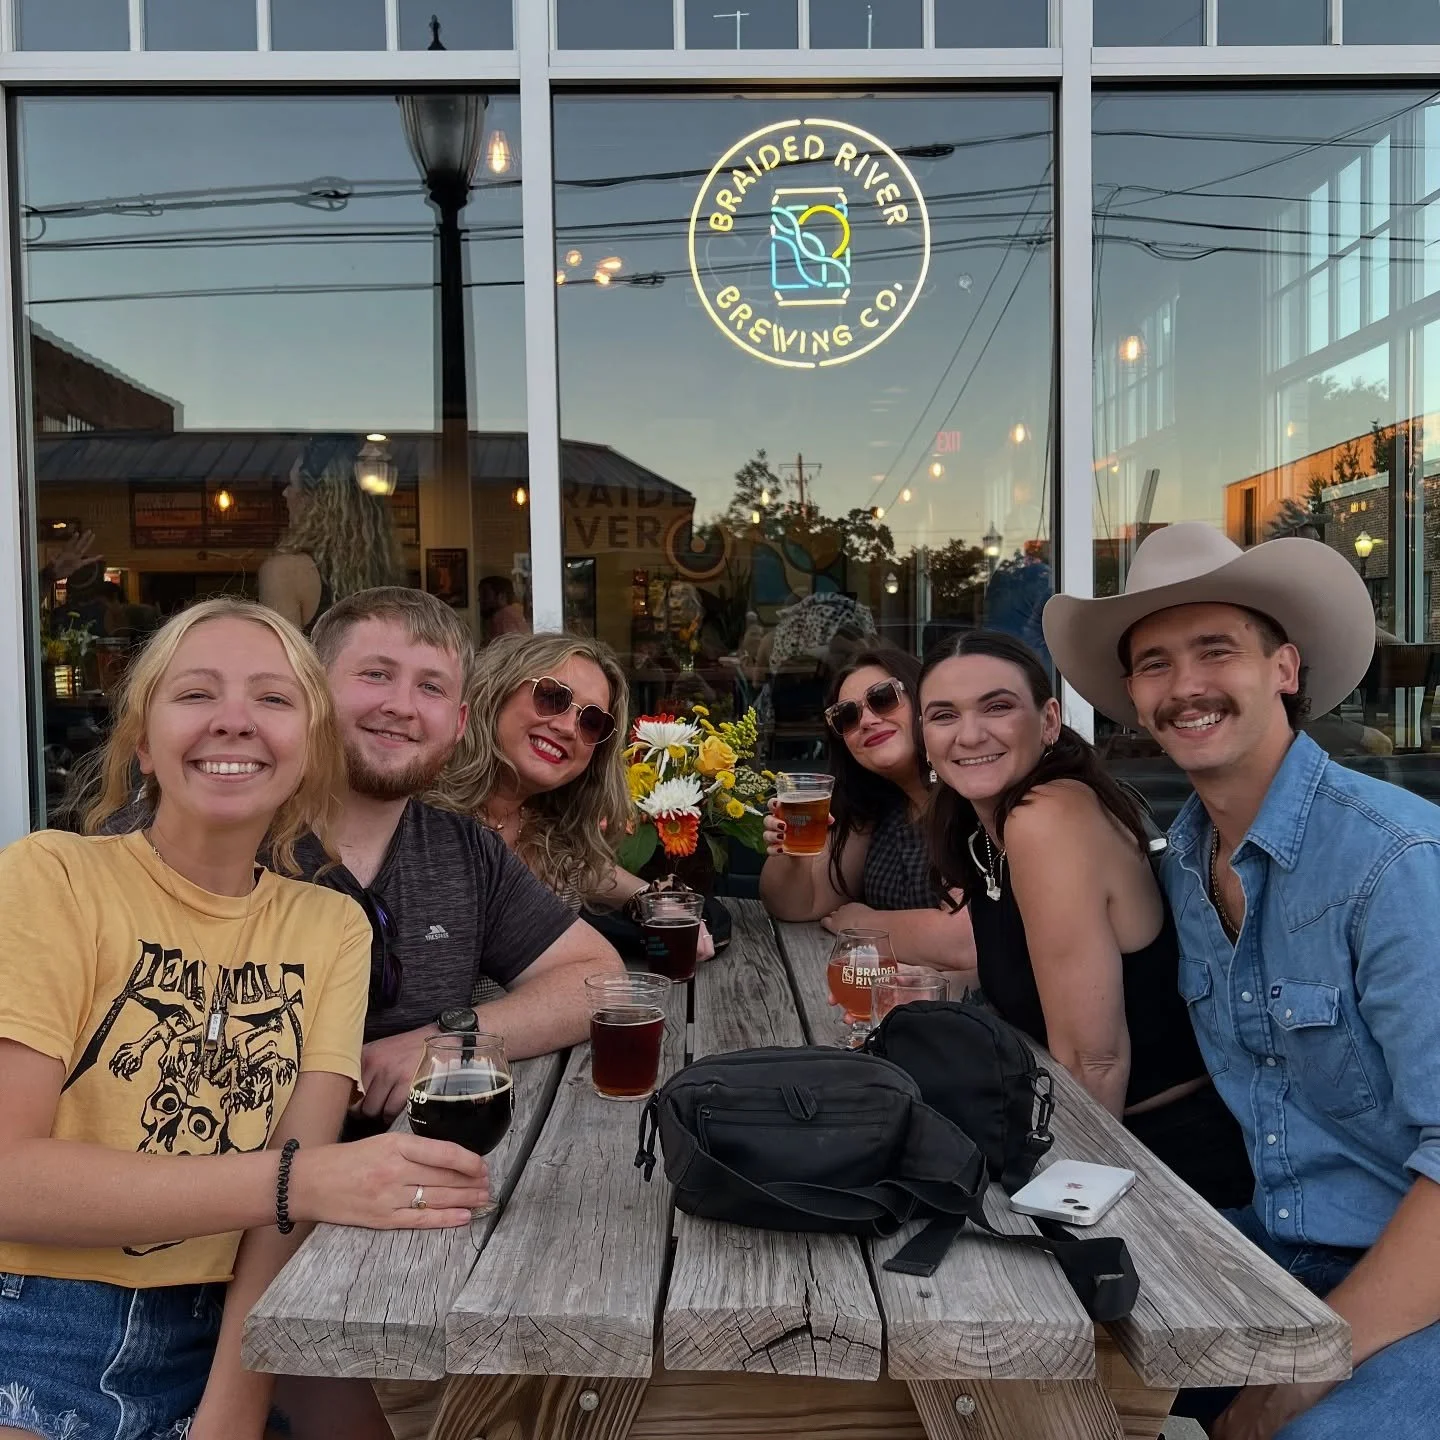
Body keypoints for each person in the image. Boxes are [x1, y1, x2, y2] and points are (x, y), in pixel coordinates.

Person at [0, 598, 487, 1440]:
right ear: (143, 744)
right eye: (196, 694)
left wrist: (232, 1409)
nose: (234, 720)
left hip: (235, 1322)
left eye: (271, 698)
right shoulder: (54, 877)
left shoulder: (330, 927)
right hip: (32, 1320)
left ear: (311, 748)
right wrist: (301, 1182)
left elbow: (280, 1222)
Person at [1044, 522, 1440, 1440]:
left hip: (1411, 1282)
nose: (1185, 685)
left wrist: (1287, 1387)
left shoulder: (1394, 861)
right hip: (1274, 1251)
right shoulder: (1185, 866)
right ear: (1135, 698)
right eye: (1155, 664)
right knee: (1027, 1352)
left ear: (1285, 669)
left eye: (1215, 649)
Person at [918, 629, 1253, 1209]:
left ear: (1049, 720)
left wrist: (1056, 1208)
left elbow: (1094, 1061)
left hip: (1162, 1165)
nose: (969, 734)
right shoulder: (983, 827)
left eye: (997, 707)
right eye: (944, 715)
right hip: (1083, 1129)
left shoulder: (1047, 816)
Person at [434, 630, 715, 959]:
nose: (568, 728)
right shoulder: (415, 814)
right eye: (553, 698)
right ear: (498, 691)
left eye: (591, 722)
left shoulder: (548, 833)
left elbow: (591, 871)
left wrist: (649, 898)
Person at [759, 644, 977, 972]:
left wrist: (863, 923)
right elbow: (797, 906)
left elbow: (965, 941)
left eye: (883, 698)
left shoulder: (969, 793)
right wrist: (793, 856)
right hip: (881, 993)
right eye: (847, 716)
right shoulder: (879, 809)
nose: (867, 721)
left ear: (923, 699)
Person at [260, 435, 406, 634]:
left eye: (293, 483)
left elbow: (280, 654)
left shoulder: (286, 572)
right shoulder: (382, 567)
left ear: (316, 502)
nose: (286, 493)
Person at [477, 574, 532, 641]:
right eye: (480, 595)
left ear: (502, 596)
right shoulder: (516, 613)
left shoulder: (502, 617)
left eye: (485, 595)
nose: (480, 600)